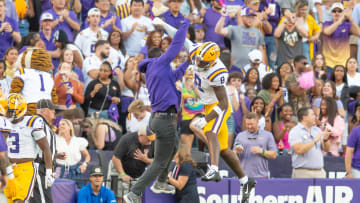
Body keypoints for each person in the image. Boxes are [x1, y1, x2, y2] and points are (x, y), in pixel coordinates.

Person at [153, 17, 255, 202]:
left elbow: (223, 104)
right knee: (223, 149)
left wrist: (206, 119)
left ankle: (214, 169)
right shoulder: (197, 51)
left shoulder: (218, 72)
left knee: (210, 131)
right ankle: (245, 181)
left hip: (218, 106)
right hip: (208, 103)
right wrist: (162, 24)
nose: (198, 64)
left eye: (203, 63)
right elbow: (179, 36)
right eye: (198, 60)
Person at [123, 19, 190, 203]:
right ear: (159, 56)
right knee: (160, 161)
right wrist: (185, 24)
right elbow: (177, 44)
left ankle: (161, 182)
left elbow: (176, 75)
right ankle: (134, 192)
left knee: (175, 146)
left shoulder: (155, 71)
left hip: (159, 119)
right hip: (165, 119)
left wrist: (189, 61)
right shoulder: (160, 63)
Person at [3, 94, 54, 202]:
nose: (9, 113)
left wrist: (49, 170)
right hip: (8, 167)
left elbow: (45, 147)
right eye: (8, 110)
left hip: (25, 168)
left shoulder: (32, 122)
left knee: (19, 200)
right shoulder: (3, 122)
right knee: (10, 200)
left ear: (21, 110)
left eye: (12, 111)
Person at [112, 124, 154, 202]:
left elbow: (157, 161)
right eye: (148, 139)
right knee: (120, 197)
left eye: (152, 139)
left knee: (136, 198)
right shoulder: (127, 139)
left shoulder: (154, 142)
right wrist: (122, 174)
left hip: (138, 174)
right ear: (141, 135)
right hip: (121, 170)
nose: (150, 142)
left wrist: (146, 160)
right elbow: (116, 158)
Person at [289, 107, 331, 178]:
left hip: (319, 172)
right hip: (302, 172)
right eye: (312, 115)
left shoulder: (317, 130)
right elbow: (299, 150)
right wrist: (315, 140)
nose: (315, 117)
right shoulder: (295, 131)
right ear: (304, 117)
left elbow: (327, 149)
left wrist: (325, 140)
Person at [30, 99, 59, 203]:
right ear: (44, 110)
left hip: (43, 166)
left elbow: (43, 147)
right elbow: (42, 149)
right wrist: (49, 170)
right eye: (51, 109)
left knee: (43, 199)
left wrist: (56, 155)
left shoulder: (45, 125)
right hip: (39, 166)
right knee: (42, 200)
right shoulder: (39, 122)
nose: (54, 112)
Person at [233, 112, 277, 178]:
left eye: (251, 124)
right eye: (247, 124)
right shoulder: (240, 136)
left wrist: (262, 151)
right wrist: (236, 152)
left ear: (257, 122)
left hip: (262, 176)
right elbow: (233, 155)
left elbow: (274, 154)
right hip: (244, 177)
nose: (249, 127)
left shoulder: (268, 135)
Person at [323, 2, 360, 70]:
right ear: (331, 13)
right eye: (334, 11)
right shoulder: (326, 23)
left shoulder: (347, 25)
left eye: (339, 11)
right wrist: (340, 20)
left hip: (343, 63)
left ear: (343, 13)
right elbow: (327, 32)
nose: (337, 13)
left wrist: (351, 19)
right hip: (328, 63)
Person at [55, 119, 91, 188]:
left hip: (75, 171)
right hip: (60, 171)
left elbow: (87, 156)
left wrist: (84, 165)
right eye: (59, 125)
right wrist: (57, 156)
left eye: (63, 124)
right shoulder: (55, 139)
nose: (60, 126)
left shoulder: (78, 141)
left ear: (70, 127)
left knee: (78, 192)